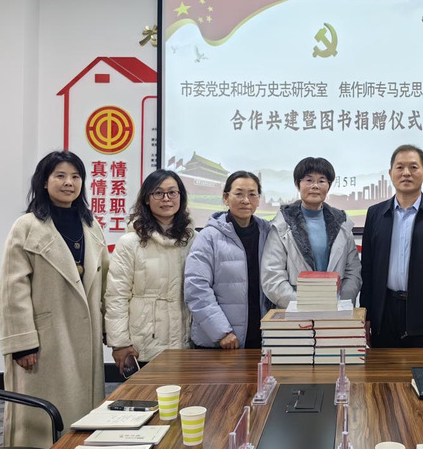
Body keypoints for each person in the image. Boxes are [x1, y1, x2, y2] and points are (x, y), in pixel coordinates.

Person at [0, 151, 109, 448]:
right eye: (60, 175)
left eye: (75, 176)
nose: (69, 182)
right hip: (44, 340)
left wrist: (109, 327)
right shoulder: (27, 226)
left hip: (85, 336)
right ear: (44, 182)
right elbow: (12, 288)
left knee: (82, 418)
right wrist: (22, 342)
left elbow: (105, 280)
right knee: (41, 418)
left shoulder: (91, 225)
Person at [360, 144, 423, 349]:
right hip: (384, 315)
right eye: (400, 167)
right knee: (384, 370)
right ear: (390, 173)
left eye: (413, 167)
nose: (406, 173)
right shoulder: (375, 214)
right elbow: (368, 271)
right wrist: (366, 315)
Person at [104, 170, 194, 371]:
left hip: (186, 342)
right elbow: (116, 296)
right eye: (158, 193)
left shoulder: (193, 240)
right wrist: (119, 343)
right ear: (146, 198)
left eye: (172, 192)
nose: (166, 199)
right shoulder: (130, 243)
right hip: (142, 345)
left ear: (181, 197)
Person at [185, 171, 272, 349]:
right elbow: (196, 287)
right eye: (239, 194)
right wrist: (221, 332)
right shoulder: (208, 236)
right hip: (221, 342)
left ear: (259, 199)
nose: (246, 200)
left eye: (252, 194)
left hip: (261, 337)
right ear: (226, 198)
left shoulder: (268, 233)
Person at [261, 157, 361, 308]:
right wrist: (306, 305)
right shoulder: (282, 224)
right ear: (298, 184)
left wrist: (339, 304)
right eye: (309, 180)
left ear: (329, 186)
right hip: (295, 313)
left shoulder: (342, 223)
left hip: (336, 311)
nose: (315, 186)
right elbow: (272, 276)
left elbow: (352, 272)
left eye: (321, 181)